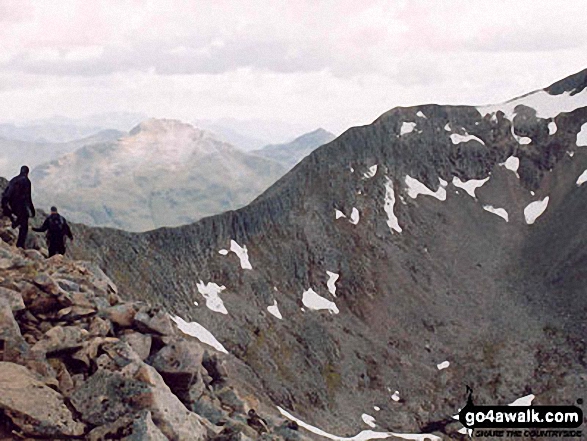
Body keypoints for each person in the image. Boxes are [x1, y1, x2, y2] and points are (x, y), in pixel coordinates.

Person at [1, 165, 35, 248]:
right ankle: (20, 245)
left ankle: (12, 229)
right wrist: (32, 209)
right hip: (21, 205)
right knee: (24, 226)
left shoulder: (13, 179)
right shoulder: (26, 181)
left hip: (11, 204)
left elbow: (7, 192)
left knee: (16, 221)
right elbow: (27, 197)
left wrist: (5, 205)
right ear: (27, 173)